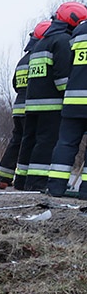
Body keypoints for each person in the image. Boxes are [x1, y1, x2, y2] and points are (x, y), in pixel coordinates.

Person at [15, 2, 87, 191]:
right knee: (46, 144)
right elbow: (63, 75)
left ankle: (29, 182)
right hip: (53, 104)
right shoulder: (62, 41)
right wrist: (66, 93)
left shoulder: (42, 43)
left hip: (35, 105)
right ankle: (39, 183)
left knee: (34, 143)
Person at [0, 21, 52, 188]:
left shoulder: (23, 60)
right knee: (33, 142)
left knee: (17, 141)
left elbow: (15, 84)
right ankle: (30, 178)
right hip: (31, 107)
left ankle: (3, 175)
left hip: (18, 108)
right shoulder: (40, 57)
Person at [46, 13, 87, 198]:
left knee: (66, 143)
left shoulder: (79, 31)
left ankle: (55, 186)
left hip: (73, 99)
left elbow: (70, 64)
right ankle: (85, 190)